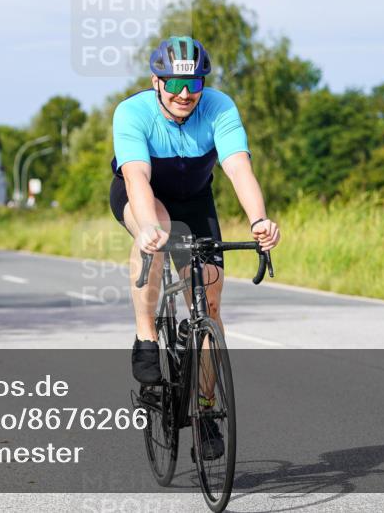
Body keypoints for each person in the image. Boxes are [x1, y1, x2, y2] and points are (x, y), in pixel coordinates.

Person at [110, 36, 280, 458]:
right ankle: (146, 336)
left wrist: (259, 219)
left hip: (197, 197)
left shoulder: (220, 107)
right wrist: (148, 227)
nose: (185, 94)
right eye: (174, 85)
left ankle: (205, 412)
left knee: (209, 299)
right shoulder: (132, 112)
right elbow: (135, 178)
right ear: (156, 82)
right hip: (144, 194)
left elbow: (238, 167)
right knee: (158, 231)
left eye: (194, 85)